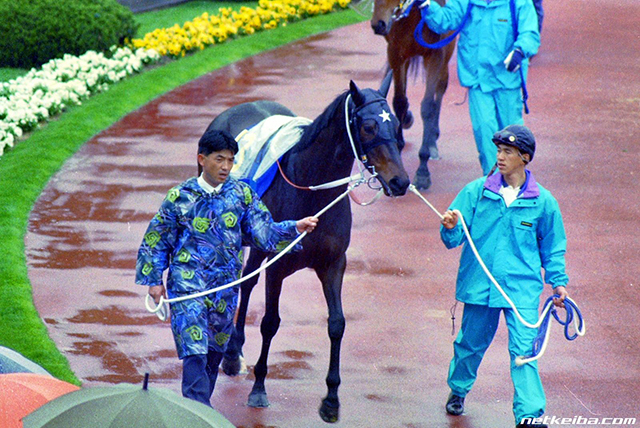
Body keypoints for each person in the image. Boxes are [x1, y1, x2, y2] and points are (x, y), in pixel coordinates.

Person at [135, 129, 318, 406]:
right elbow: (156, 239)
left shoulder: (242, 193)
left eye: (230, 161)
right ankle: (199, 416)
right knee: (194, 351)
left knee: (212, 355)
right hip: (188, 286)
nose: (225, 167)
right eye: (219, 159)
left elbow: (263, 233)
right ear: (201, 159)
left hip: (225, 288)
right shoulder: (179, 197)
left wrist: (295, 227)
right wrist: (154, 281)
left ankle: (197, 413)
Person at [439, 125, 569, 428]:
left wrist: (558, 282)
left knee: (525, 352)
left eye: (507, 152)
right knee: (470, 345)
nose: (499, 157)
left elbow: (553, 247)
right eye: (498, 150)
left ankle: (529, 415)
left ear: (525, 157)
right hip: (479, 287)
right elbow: (453, 238)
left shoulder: (544, 202)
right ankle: (458, 388)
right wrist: (449, 226)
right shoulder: (475, 191)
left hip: (521, 291)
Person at [419, 0, 540, 175]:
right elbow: (445, 21)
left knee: (512, 135)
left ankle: (515, 181)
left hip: (507, 82)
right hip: (478, 80)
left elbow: (530, 32)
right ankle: (493, 181)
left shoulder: (519, 3)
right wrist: (427, 5)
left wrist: (520, 51)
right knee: (484, 132)